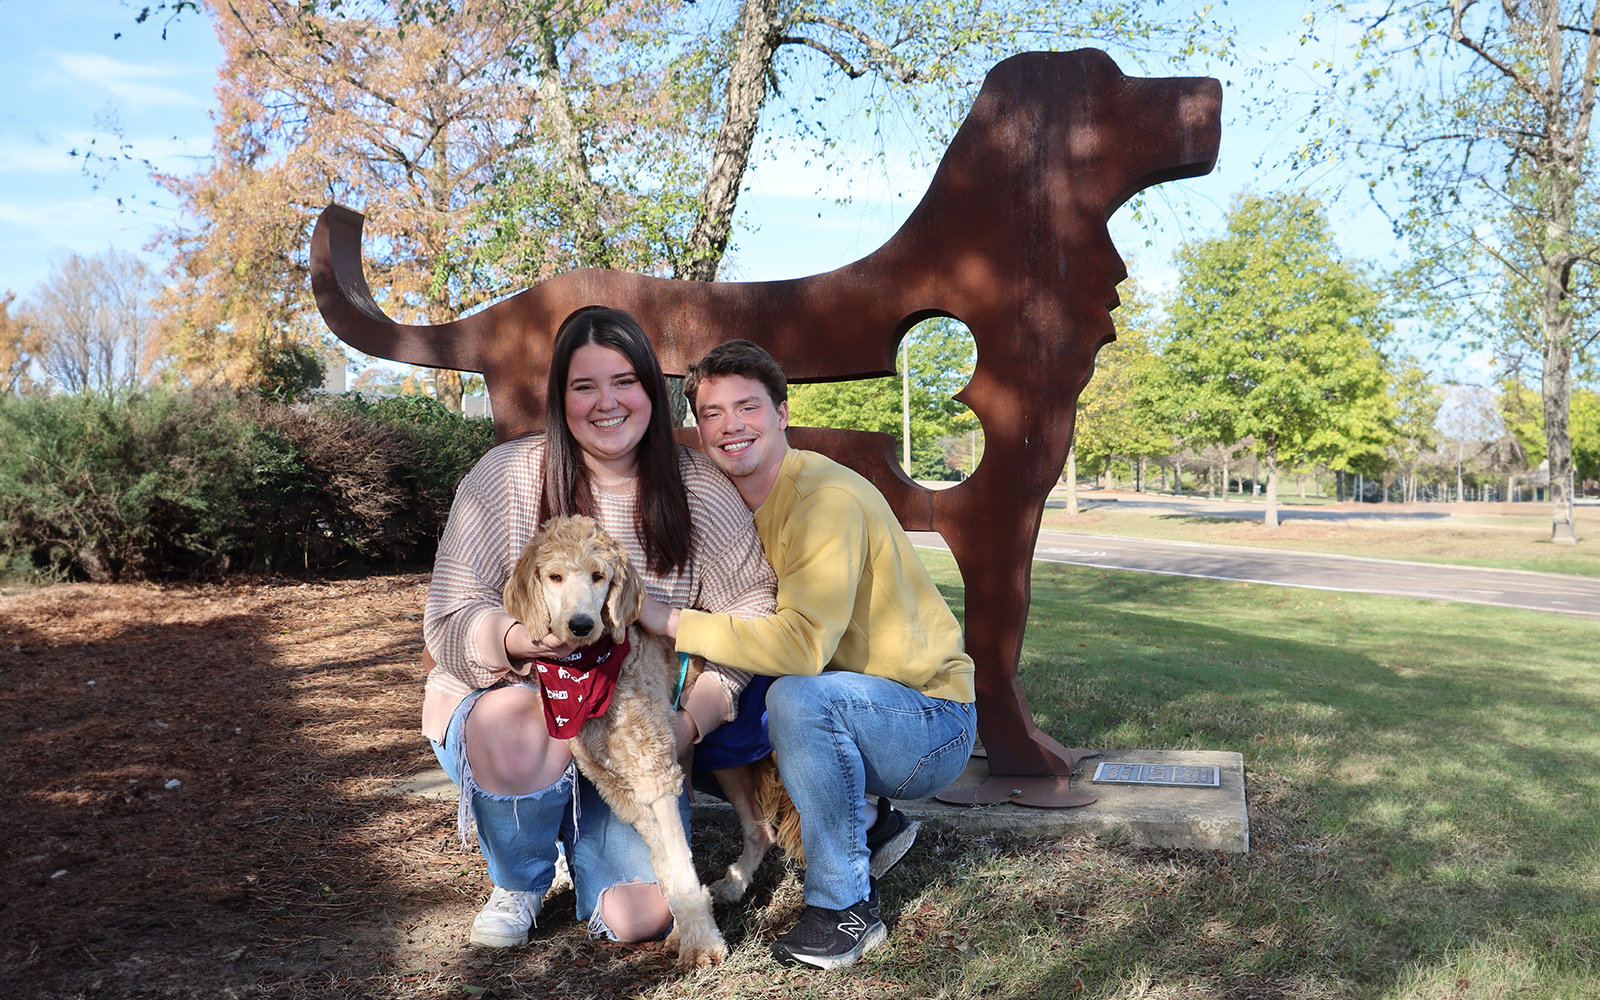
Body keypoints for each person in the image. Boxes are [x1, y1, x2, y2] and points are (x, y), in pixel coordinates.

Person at [422, 309, 776, 949]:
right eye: (584, 386)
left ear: (652, 391)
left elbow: (751, 612)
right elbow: (446, 616)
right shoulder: (505, 476)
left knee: (637, 919)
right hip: (517, 719)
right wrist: (519, 641)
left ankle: (577, 832)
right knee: (519, 724)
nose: (607, 403)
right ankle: (520, 876)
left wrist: (689, 723)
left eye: (625, 382)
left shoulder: (697, 487)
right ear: (561, 399)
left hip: (628, 726)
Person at [641, 339, 978, 970]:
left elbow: (801, 645)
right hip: (850, 706)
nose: (731, 425)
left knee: (794, 696)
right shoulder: (729, 507)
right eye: (712, 413)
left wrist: (671, 621)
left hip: (928, 720)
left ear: (782, 414)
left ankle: (845, 908)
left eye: (748, 407)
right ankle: (872, 824)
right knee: (711, 711)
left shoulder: (824, 500)